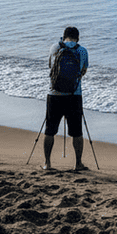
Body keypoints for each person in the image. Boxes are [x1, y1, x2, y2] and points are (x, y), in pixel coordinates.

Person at [43, 26, 89, 171]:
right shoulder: (82, 51)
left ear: (63, 37)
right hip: (74, 95)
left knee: (50, 130)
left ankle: (47, 163)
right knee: (77, 132)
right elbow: (83, 71)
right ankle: (78, 164)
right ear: (78, 38)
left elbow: (51, 67)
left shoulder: (54, 47)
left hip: (54, 94)